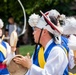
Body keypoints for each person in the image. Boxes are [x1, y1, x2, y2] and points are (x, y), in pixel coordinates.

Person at [14, 11, 68, 75]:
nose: (33, 33)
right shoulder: (39, 49)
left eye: (35, 30)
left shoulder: (57, 51)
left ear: (44, 32)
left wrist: (29, 65)